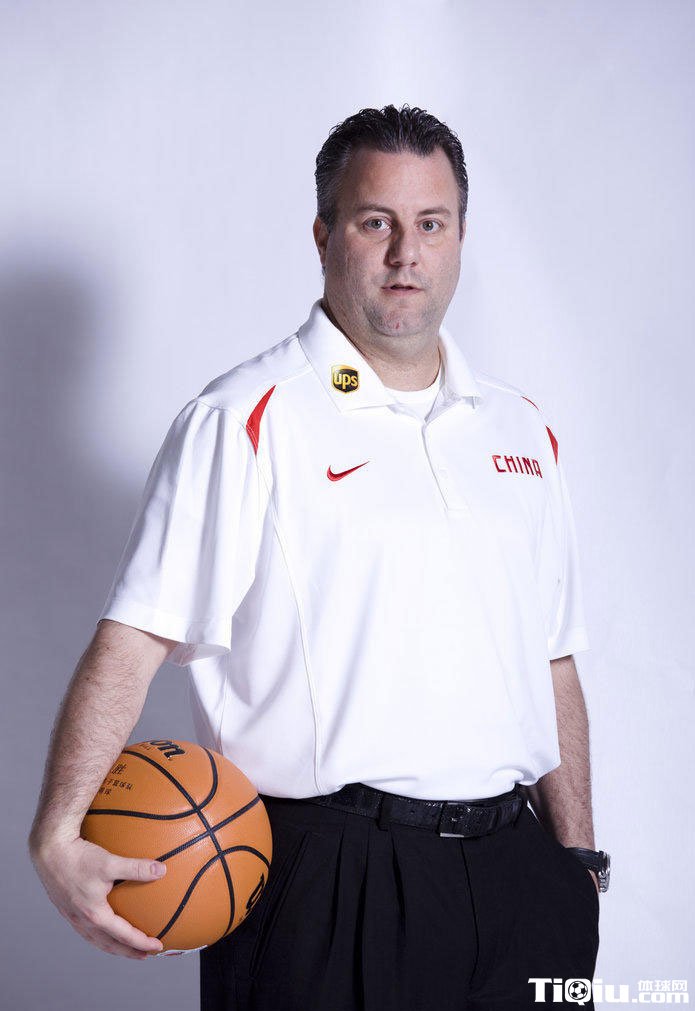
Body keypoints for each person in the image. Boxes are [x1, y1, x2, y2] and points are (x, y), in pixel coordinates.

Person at [29, 104, 609, 1009]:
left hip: (521, 877)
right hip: (331, 879)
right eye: (376, 222)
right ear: (324, 235)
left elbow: (553, 655)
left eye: (431, 224)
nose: (406, 253)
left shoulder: (519, 428)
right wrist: (57, 831)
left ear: (460, 237)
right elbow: (134, 638)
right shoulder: (245, 417)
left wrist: (576, 860)